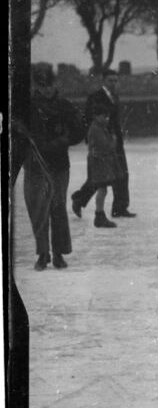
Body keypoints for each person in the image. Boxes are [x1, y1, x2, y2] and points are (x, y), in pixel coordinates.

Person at [22, 64, 86, 269]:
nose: (46, 89)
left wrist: (64, 139)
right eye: (42, 85)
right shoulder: (26, 107)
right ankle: (43, 253)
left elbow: (79, 130)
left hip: (58, 165)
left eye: (49, 84)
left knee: (57, 208)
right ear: (36, 85)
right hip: (35, 165)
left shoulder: (64, 106)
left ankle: (59, 253)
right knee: (38, 210)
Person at [71, 69, 135, 218]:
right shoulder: (95, 97)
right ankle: (79, 199)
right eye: (110, 80)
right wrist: (93, 139)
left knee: (121, 173)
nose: (113, 83)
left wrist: (118, 137)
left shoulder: (114, 97)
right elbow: (88, 119)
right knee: (99, 177)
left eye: (115, 80)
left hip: (115, 142)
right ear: (104, 81)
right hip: (101, 142)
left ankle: (120, 207)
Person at [85, 102, 124, 229]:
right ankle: (99, 215)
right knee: (102, 189)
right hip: (99, 163)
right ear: (96, 116)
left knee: (103, 189)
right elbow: (106, 146)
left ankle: (100, 214)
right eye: (103, 116)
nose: (106, 119)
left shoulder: (98, 127)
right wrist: (113, 140)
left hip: (100, 162)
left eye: (107, 117)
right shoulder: (96, 129)